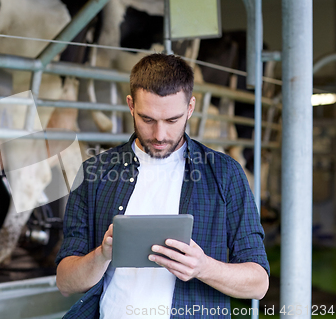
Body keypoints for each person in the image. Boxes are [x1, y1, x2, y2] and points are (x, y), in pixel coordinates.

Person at [55, 53, 270, 319]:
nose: (159, 135)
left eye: (171, 120)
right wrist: (102, 254)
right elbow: (65, 282)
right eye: (148, 119)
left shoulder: (225, 173)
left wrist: (203, 267)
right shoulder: (95, 172)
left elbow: (259, 283)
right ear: (131, 105)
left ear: (190, 107)